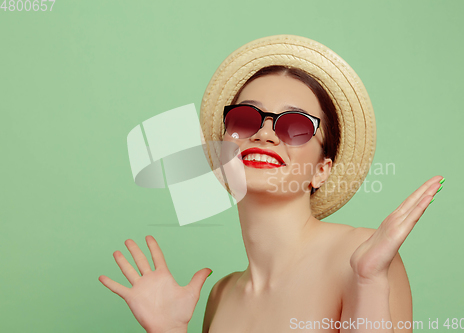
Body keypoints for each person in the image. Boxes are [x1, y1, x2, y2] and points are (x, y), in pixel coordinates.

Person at [98, 35, 444, 333]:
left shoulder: (363, 255)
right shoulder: (221, 295)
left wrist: (368, 282)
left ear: (322, 171)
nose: (264, 134)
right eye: (245, 119)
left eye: (294, 126)